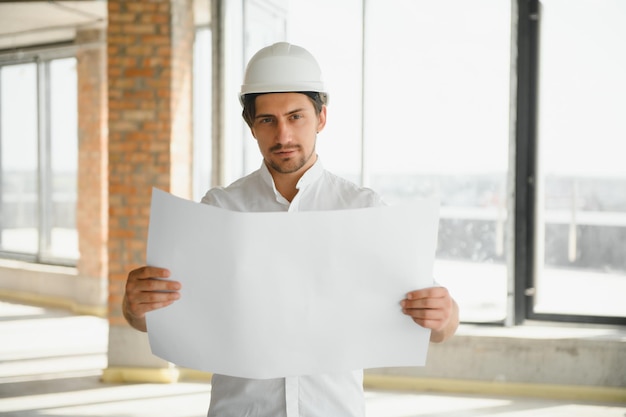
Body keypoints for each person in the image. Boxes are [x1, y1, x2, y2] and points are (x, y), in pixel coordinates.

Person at [123, 42, 459, 417]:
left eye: (296, 116)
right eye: (267, 119)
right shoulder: (220, 209)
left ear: (322, 118)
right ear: (252, 127)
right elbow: (156, 316)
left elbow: (440, 326)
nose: (283, 135)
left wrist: (444, 314)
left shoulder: (363, 210)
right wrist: (135, 306)